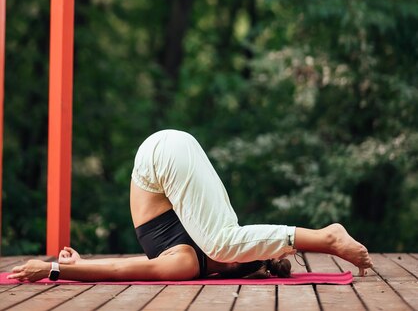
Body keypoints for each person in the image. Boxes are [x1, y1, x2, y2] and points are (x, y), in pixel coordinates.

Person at [9, 129, 372, 282]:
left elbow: (121, 271)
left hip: (163, 158)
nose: (233, 257)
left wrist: (56, 269)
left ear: (227, 272)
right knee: (226, 236)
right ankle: (326, 237)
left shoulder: (184, 262)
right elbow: (235, 244)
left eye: (237, 263)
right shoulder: (213, 235)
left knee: (224, 238)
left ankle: (325, 236)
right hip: (168, 154)